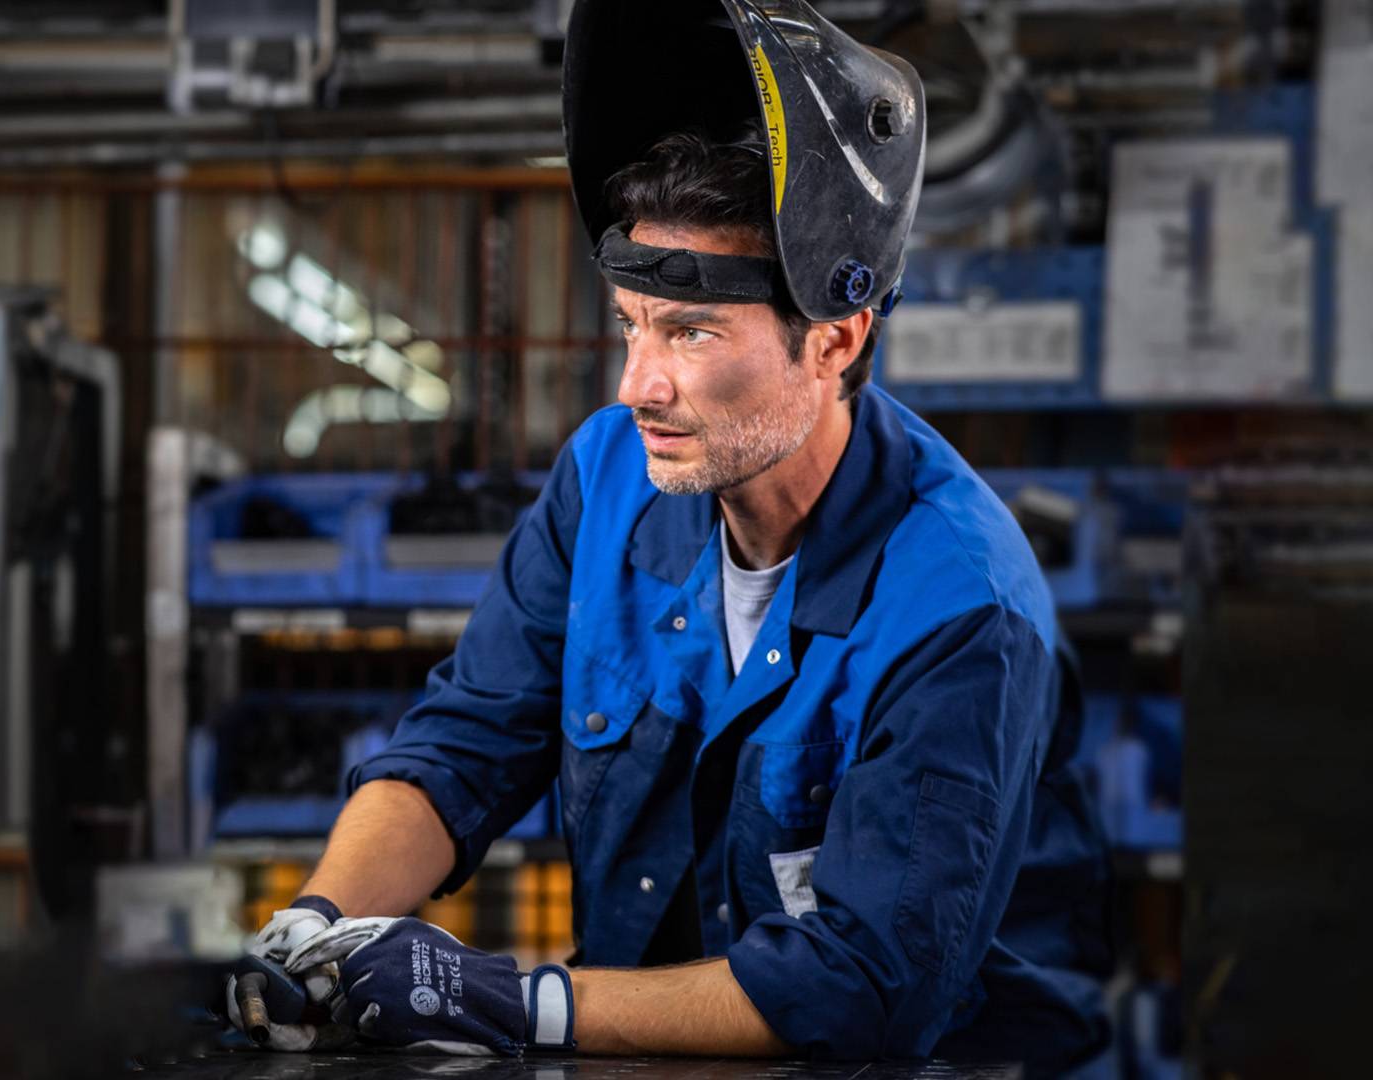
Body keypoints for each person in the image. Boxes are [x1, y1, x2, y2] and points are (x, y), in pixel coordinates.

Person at [225, 0, 1112, 1071]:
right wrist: (317, 925)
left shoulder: (959, 604)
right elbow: (465, 740)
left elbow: (872, 985)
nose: (636, 387)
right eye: (631, 326)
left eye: (690, 333)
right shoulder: (607, 480)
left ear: (833, 338)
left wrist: (509, 1000)